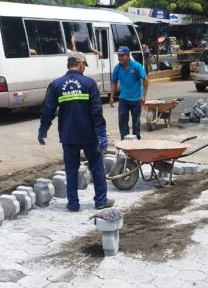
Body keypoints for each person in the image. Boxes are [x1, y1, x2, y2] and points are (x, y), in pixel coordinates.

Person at [38, 52, 113, 212]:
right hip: (89, 135)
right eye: (84, 65)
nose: (84, 68)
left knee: (71, 169)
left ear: (68, 65)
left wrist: (43, 128)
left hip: (68, 135)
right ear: (80, 64)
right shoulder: (89, 83)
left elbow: (48, 109)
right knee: (97, 167)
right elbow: (96, 111)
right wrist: (101, 133)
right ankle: (100, 201)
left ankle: (73, 204)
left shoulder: (57, 85)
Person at [109, 46, 149, 140]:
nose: (120, 57)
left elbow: (145, 79)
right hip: (123, 99)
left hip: (136, 100)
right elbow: (114, 82)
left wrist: (143, 96)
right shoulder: (117, 68)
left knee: (136, 123)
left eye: (122, 55)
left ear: (127, 55)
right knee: (122, 122)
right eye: (119, 55)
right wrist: (111, 97)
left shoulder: (136, 66)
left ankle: (136, 142)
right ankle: (124, 142)